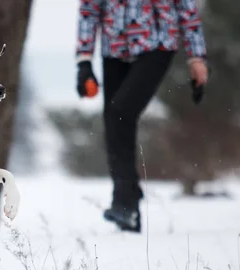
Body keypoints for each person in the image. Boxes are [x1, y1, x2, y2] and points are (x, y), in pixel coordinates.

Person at [75, 0, 209, 232]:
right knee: (113, 120)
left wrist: (196, 58)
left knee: (121, 110)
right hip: (114, 48)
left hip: (156, 45)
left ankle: (126, 198)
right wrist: (84, 62)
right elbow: (89, 10)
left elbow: (186, 9)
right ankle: (127, 207)